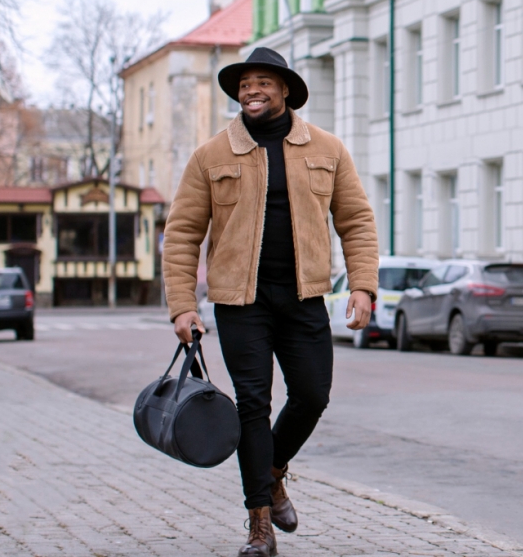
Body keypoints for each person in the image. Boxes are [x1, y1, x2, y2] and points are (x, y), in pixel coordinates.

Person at [162, 47, 378, 557]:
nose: (251, 90)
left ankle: (273, 471)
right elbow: (182, 234)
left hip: (304, 297)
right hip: (241, 303)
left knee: (312, 394)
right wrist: (181, 305)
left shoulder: (327, 149)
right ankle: (259, 523)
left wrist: (363, 285)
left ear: (284, 89)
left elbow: (357, 221)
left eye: (263, 82)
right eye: (244, 83)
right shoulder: (211, 156)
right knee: (253, 406)